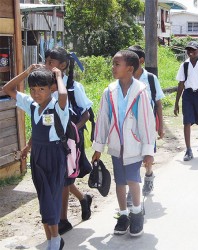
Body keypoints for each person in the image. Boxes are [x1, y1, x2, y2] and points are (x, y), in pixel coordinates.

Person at [91, 50, 156, 237]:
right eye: (113, 64)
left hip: (134, 145)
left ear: (129, 69)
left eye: (116, 64)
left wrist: (148, 150)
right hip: (116, 145)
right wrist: (98, 147)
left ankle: (136, 213)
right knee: (119, 181)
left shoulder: (140, 91)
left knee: (133, 180)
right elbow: (103, 119)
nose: (113, 67)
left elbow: (146, 123)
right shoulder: (109, 91)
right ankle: (123, 214)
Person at [3, 66, 67, 250]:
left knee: (51, 197)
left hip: (54, 155)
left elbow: (63, 95)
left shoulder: (57, 105)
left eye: (41, 89)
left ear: (52, 88)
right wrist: (27, 71)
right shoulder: (31, 104)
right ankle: (52, 240)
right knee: (43, 197)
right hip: (37, 155)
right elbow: (8, 89)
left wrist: (58, 75)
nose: (36, 93)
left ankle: (55, 240)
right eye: (33, 89)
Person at [45, 47, 93, 235]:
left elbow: (86, 113)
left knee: (64, 179)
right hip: (50, 139)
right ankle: (83, 198)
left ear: (62, 65)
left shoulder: (73, 86)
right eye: (46, 61)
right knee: (61, 178)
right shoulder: (44, 84)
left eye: (51, 62)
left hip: (70, 140)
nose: (46, 65)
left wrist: (73, 131)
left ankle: (63, 220)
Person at [127, 45, 165, 197]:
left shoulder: (150, 78)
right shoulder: (124, 78)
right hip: (129, 125)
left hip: (147, 125)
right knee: (131, 157)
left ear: (141, 60)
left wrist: (160, 126)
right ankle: (132, 188)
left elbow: (158, 102)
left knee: (147, 156)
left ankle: (149, 174)